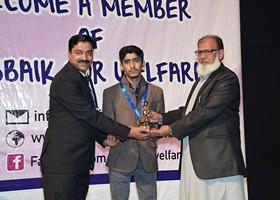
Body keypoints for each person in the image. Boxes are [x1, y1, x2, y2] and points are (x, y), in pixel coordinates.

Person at [40, 34, 150, 200]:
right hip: (63, 163)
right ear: (69, 54)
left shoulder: (83, 78)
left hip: (78, 161)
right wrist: (128, 131)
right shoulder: (66, 80)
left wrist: (103, 137)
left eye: (89, 53)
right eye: (79, 52)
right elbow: (90, 115)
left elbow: (81, 119)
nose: (84, 58)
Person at [149, 35, 246, 200]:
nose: (202, 56)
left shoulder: (226, 78)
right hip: (198, 159)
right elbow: (189, 111)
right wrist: (161, 118)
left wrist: (171, 129)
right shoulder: (203, 79)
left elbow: (206, 112)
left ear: (220, 54)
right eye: (199, 52)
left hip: (217, 162)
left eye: (208, 51)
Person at [102, 45, 165, 200]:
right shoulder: (110, 93)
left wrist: (153, 133)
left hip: (147, 157)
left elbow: (160, 124)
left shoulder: (156, 91)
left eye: (136, 60)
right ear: (121, 66)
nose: (132, 65)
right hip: (120, 156)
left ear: (142, 63)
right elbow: (107, 126)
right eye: (127, 61)